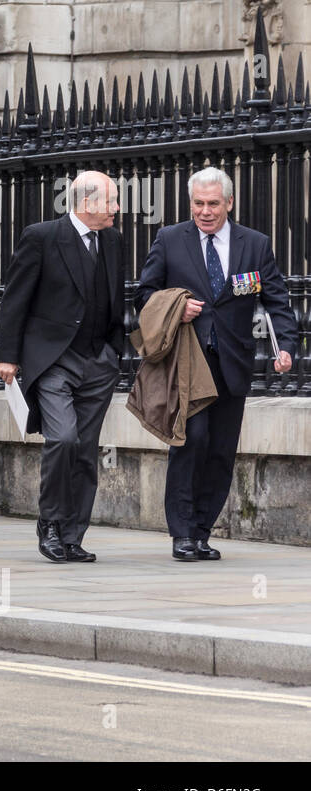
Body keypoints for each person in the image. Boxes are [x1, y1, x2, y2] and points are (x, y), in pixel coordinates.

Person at [136, 166, 296, 561]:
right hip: (187, 363)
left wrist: (286, 346)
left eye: (212, 204)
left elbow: (276, 299)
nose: (205, 212)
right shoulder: (170, 239)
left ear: (229, 202)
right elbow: (145, 294)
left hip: (233, 363)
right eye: (198, 204)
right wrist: (176, 306)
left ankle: (202, 531)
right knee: (193, 440)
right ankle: (182, 533)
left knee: (222, 450)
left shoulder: (255, 244)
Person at [0, 170, 125, 563]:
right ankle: (49, 523)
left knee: (85, 451)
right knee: (63, 439)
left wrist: (114, 352)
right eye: (112, 201)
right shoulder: (42, 236)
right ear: (88, 204)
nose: (118, 209)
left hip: (99, 362)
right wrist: (7, 354)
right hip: (53, 361)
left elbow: (114, 297)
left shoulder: (113, 240)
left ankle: (72, 535)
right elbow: (15, 299)